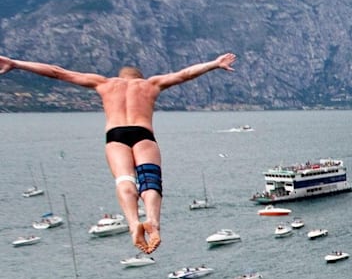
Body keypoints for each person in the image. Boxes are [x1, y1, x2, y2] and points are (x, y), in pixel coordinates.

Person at [0, 52, 236, 252]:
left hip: (116, 135)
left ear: (120, 77)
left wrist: (16, 63)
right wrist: (215, 64)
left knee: (124, 181)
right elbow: (186, 73)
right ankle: (152, 220)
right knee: (151, 181)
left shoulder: (104, 83)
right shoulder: (151, 84)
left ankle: (133, 223)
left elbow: (57, 71)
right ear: (139, 77)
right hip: (143, 134)